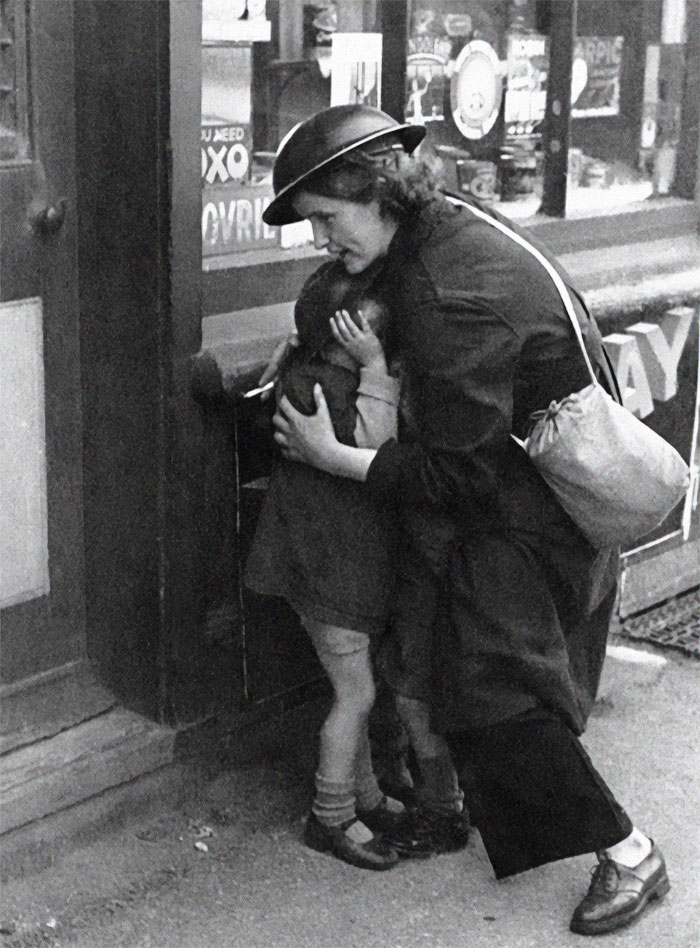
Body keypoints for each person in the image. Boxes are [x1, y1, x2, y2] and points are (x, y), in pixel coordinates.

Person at [260, 104, 670, 936]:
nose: (323, 241)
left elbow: (459, 473)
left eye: (329, 220)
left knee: (496, 694)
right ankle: (458, 814)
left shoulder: (447, 292)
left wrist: (335, 459)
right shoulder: (444, 228)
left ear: (377, 193)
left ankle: (631, 855)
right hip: (527, 497)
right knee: (484, 681)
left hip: (519, 512)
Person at [244, 259, 408, 871]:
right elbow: (376, 447)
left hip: (325, 564)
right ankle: (331, 815)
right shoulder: (331, 392)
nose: (385, 342)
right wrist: (375, 370)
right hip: (325, 570)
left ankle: (364, 794)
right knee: (356, 692)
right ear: (347, 338)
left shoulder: (303, 375)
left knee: (358, 689)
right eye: (374, 333)